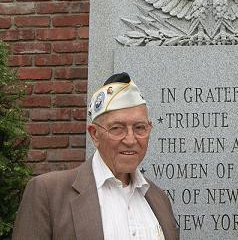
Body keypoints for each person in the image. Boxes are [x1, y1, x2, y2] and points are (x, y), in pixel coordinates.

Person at [13, 72, 179, 240]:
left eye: (139, 127)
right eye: (117, 128)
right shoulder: (49, 194)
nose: (130, 140)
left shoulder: (159, 199)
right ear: (95, 134)